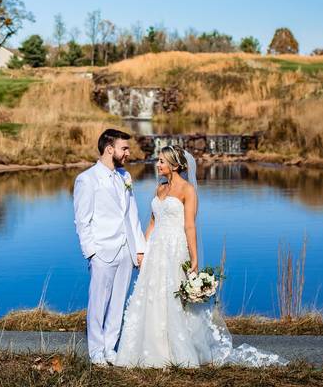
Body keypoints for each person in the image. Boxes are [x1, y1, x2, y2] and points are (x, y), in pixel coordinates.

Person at [114, 145, 287, 368]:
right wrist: (142, 249)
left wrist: (194, 259)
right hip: (155, 249)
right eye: (158, 161)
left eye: (162, 162)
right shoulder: (159, 189)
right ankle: (146, 349)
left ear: (175, 165)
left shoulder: (188, 190)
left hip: (176, 248)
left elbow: (189, 227)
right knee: (150, 296)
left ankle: (179, 352)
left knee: (174, 297)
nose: (158, 165)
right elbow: (152, 223)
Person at [72, 128, 146, 366]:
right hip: (102, 251)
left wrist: (139, 249)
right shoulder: (87, 179)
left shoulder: (125, 177)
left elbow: (132, 216)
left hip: (125, 249)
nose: (128, 153)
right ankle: (96, 351)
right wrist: (92, 253)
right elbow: (82, 221)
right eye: (124, 148)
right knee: (98, 303)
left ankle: (110, 347)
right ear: (109, 149)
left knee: (118, 302)